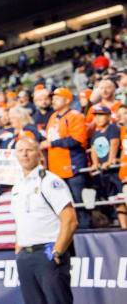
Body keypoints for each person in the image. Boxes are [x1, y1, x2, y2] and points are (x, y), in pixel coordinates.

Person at [11, 137, 77, 304]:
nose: (24, 154)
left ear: (39, 154)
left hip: (48, 253)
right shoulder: (17, 186)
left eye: (29, 150)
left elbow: (70, 219)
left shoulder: (50, 181)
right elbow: (20, 221)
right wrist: (19, 250)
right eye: (20, 151)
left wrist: (57, 251)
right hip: (26, 256)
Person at [41, 88, 90, 230]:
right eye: (53, 98)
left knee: (79, 205)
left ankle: (84, 235)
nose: (53, 100)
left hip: (73, 169)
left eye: (57, 97)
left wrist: (52, 144)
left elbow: (77, 139)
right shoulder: (52, 117)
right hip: (56, 171)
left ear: (67, 100)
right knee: (62, 207)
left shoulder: (76, 116)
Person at [89, 105, 125, 228]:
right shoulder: (96, 133)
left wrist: (110, 161)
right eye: (96, 115)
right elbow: (93, 149)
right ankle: (124, 227)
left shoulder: (113, 129)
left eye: (101, 115)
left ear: (109, 116)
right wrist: (95, 163)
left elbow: (114, 144)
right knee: (115, 200)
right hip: (105, 172)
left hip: (115, 171)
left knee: (122, 197)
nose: (98, 118)